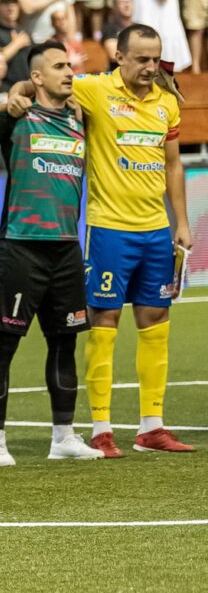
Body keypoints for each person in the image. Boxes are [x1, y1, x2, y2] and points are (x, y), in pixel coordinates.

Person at [66, 25, 193, 455]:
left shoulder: (166, 102)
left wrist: (181, 222)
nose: (150, 67)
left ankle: (151, 427)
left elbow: (172, 165)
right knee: (104, 322)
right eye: (141, 59)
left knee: (156, 320)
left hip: (155, 230)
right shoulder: (95, 90)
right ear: (119, 56)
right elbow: (45, 81)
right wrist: (20, 89)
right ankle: (101, 428)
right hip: (108, 229)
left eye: (155, 58)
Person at [0, 42, 102, 464]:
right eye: (59, 66)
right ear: (36, 77)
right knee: (4, 345)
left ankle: (63, 437)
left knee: (64, 343)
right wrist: (12, 98)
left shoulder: (82, 117)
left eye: (70, 66)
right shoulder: (16, 118)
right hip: (20, 247)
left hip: (66, 249)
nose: (69, 72)